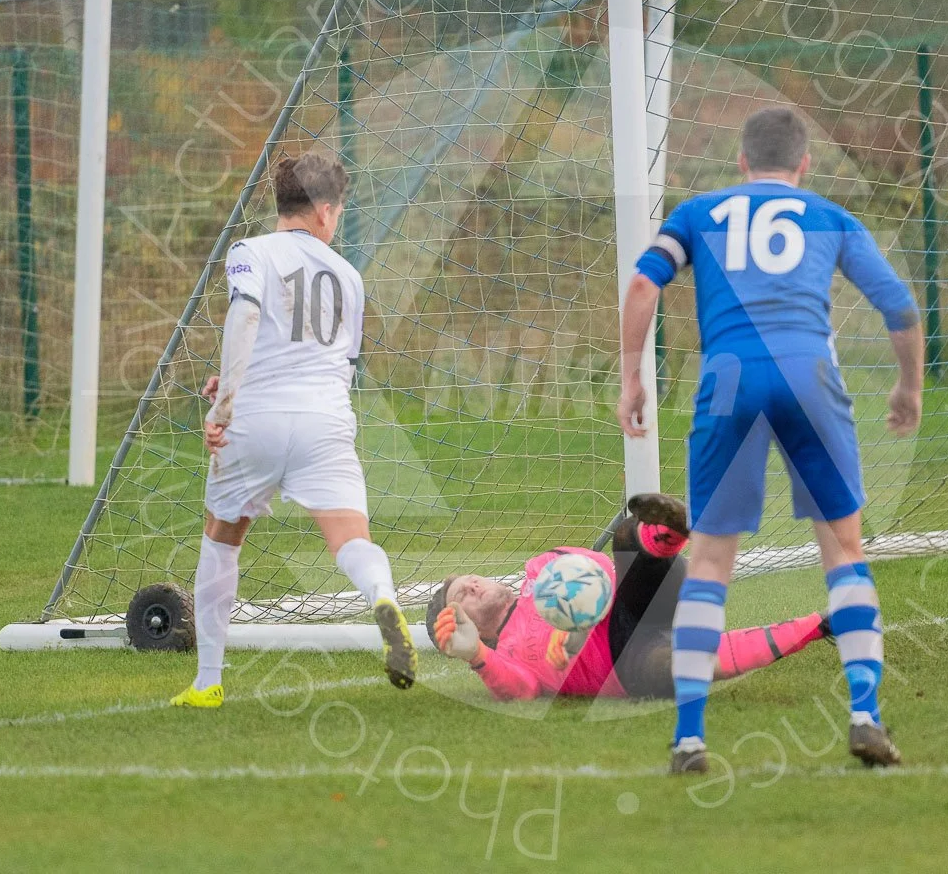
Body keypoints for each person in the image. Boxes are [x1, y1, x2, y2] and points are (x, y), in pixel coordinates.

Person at [618, 106, 924, 773]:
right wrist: (909, 388)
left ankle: (691, 739)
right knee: (844, 551)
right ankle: (866, 716)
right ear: (805, 163)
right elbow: (899, 307)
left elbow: (644, 283)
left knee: (709, 565)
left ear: (742, 161)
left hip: (729, 379)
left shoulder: (699, 212)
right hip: (810, 375)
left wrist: (630, 381)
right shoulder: (831, 217)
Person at [170, 151, 416, 708]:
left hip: (253, 422)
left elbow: (247, 317)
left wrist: (223, 407)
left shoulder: (249, 251)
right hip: (325, 421)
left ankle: (208, 682)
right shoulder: (350, 278)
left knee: (221, 540)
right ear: (326, 211)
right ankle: (383, 597)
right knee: (352, 540)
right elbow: (335, 362)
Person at [428, 493, 833, 699]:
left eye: (471, 578)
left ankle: (673, 528)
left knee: (627, 535)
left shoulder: (541, 569)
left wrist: (580, 619)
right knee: (673, 668)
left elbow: (601, 569)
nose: (475, 583)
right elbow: (523, 692)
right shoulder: (502, 657)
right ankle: (824, 624)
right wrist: (476, 656)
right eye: (463, 593)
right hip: (626, 661)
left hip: (634, 599)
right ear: (468, 627)